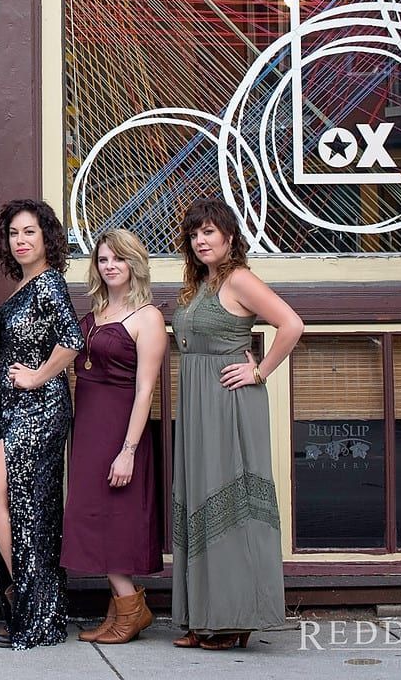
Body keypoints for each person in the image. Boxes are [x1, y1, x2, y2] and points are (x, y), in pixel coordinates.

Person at [172, 196, 303, 650]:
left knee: (228, 499)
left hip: (229, 403)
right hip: (197, 402)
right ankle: (204, 615)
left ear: (229, 236)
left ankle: (234, 617)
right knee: (199, 496)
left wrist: (260, 370)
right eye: (194, 233)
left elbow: (291, 324)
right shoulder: (200, 284)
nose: (201, 240)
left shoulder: (240, 279)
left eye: (209, 231)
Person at [0, 197, 85, 650]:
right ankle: (37, 604)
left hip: (39, 409)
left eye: (29, 233)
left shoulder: (50, 285)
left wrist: (38, 375)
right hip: (20, 410)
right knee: (24, 510)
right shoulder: (26, 285)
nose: (20, 241)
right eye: (14, 234)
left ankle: (35, 602)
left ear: (47, 239)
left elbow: (72, 340)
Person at [60, 229, 167, 645]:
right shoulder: (96, 310)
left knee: (115, 520)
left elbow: (145, 390)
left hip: (121, 429)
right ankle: (118, 610)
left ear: (133, 264)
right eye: (103, 260)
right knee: (91, 516)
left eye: (118, 259)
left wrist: (128, 451)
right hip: (88, 426)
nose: (110, 266)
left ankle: (131, 611)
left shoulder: (148, 317)